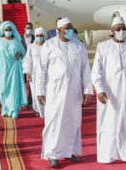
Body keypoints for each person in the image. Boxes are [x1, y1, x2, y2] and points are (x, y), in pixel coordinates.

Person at [36, 18, 93, 168]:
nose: (69, 30)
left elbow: (85, 70)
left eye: (71, 27)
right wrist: (39, 90)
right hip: (55, 92)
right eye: (66, 28)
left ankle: (70, 151)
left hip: (74, 92)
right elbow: (40, 70)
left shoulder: (79, 46)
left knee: (73, 121)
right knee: (54, 122)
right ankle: (54, 154)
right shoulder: (49, 45)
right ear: (59, 30)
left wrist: (87, 90)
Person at [92, 16, 126, 168]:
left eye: (123, 28)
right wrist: (100, 90)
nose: (121, 31)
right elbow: (96, 72)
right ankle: (109, 154)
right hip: (110, 94)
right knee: (110, 124)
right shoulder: (103, 47)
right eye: (118, 29)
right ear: (112, 31)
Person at [0, 21, 27, 119]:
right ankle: (6, 109)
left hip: (14, 69)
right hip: (3, 69)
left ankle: (14, 109)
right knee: (4, 90)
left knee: (13, 90)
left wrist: (20, 54)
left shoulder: (16, 42)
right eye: (6, 30)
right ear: (3, 30)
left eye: (10, 30)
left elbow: (24, 53)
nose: (8, 31)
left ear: (13, 30)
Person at [22, 27, 46, 118]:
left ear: (44, 36)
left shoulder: (47, 45)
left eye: (41, 36)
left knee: (45, 90)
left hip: (46, 72)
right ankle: (37, 109)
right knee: (35, 91)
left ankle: (45, 110)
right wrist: (28, 73)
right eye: (37, 36)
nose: (39, 37)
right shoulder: (31, 46)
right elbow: (28, 60)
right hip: (34, 73)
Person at [21, 22, 35, 110]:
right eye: (27, 28)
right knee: (21, 83)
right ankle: (22, 101)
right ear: (24, 29)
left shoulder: (35, 38)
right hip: (22, 64)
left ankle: (30, 102)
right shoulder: (20, 38)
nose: (29, 29)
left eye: (30, 28)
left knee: (31, 84)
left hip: (32, 64)